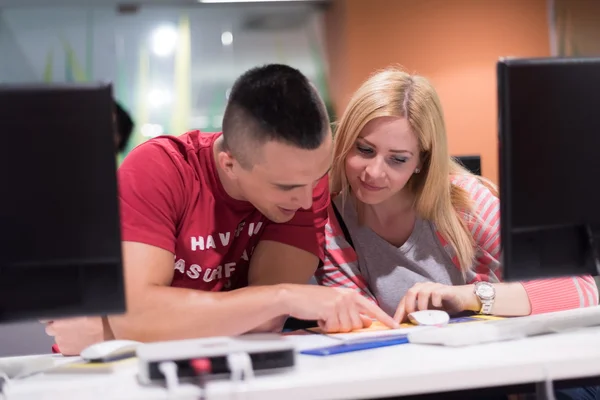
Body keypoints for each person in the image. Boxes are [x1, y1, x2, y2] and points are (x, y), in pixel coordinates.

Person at [43, 64, 396, 356]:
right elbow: (138, 317)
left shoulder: (302, 179)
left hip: (214, 364)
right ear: (229, 165)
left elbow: (265, 322)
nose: (307, 200)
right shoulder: (158, 169)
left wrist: (113, 333)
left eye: (317, 178)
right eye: (285, 187)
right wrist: (284, 297)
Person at [316, 66, 599, 399]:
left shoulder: (466, 204)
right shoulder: (330, 225)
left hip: (520, 374)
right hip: (427, 380)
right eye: (364, 150)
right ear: (345, 141)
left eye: (398, 159)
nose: (374, 172)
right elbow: (365, 337)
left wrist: (471, 296)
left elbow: (583, 289)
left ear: (422, 160)